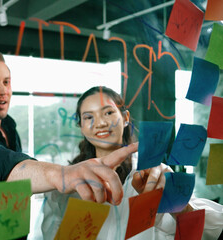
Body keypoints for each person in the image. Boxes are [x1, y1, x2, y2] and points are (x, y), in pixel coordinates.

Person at [0, 50, 146, 239]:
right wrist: (57, 174)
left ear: (126, 117)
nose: (2, 91)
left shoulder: (9, 125)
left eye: (6, 82)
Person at [41, 86, 223, 239]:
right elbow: (51, 233)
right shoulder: (67, 183)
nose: (101, 123)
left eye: (108, 112)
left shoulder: (153, 173)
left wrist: (178, 205)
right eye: (89, 117)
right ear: (80, 126)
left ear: (126, 118)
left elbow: (213, 228)